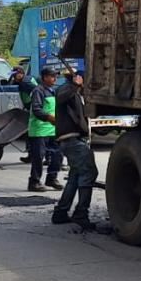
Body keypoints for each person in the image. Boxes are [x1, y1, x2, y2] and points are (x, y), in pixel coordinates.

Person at [52, 69, 101, 230]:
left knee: (75, 176)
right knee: (89, 173)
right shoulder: (67, 89)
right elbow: (60, 96)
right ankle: (81, 213)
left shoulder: (77, 95)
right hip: (71, 140)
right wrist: (74, 83)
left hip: (74, 139)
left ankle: (61, 212)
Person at [27, 68, 63, 192]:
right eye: (52, 76)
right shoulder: (38, 91)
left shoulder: (53, 91)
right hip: (39, 130)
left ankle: (52, 178)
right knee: (38, 157)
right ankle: (34, 182)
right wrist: (48, 117)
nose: (55, 79)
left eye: (55, 76)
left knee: (58, 154)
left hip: (53, 129)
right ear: (44, 77)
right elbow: (36, 109)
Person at [9, 67, 38, 163]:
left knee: (32, 133)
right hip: (30, 107)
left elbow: (37, 92)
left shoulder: (26, 83)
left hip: (33, 107)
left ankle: (33, 155)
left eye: (15, 75)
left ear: (20, 74)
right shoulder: (26, 80)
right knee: (30, 132)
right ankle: (34, 155)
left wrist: (33, 106)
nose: (13, 77)